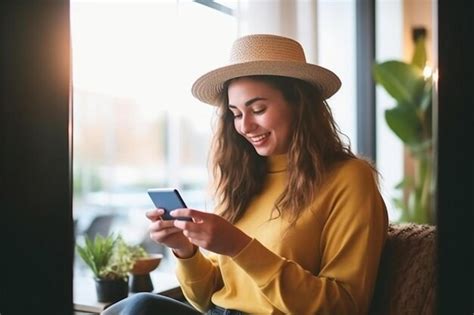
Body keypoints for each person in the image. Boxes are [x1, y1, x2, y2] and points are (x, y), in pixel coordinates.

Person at [102, 34, 388, 315]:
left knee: (139, 308)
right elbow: (206, 299)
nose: (245, 126)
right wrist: (184, 249)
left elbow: (345, 307)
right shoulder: (246, 178)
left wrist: (239, 246)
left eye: (258, 109)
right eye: (236, 114)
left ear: (299, 104)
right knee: (137, 306)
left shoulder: (349, 178)